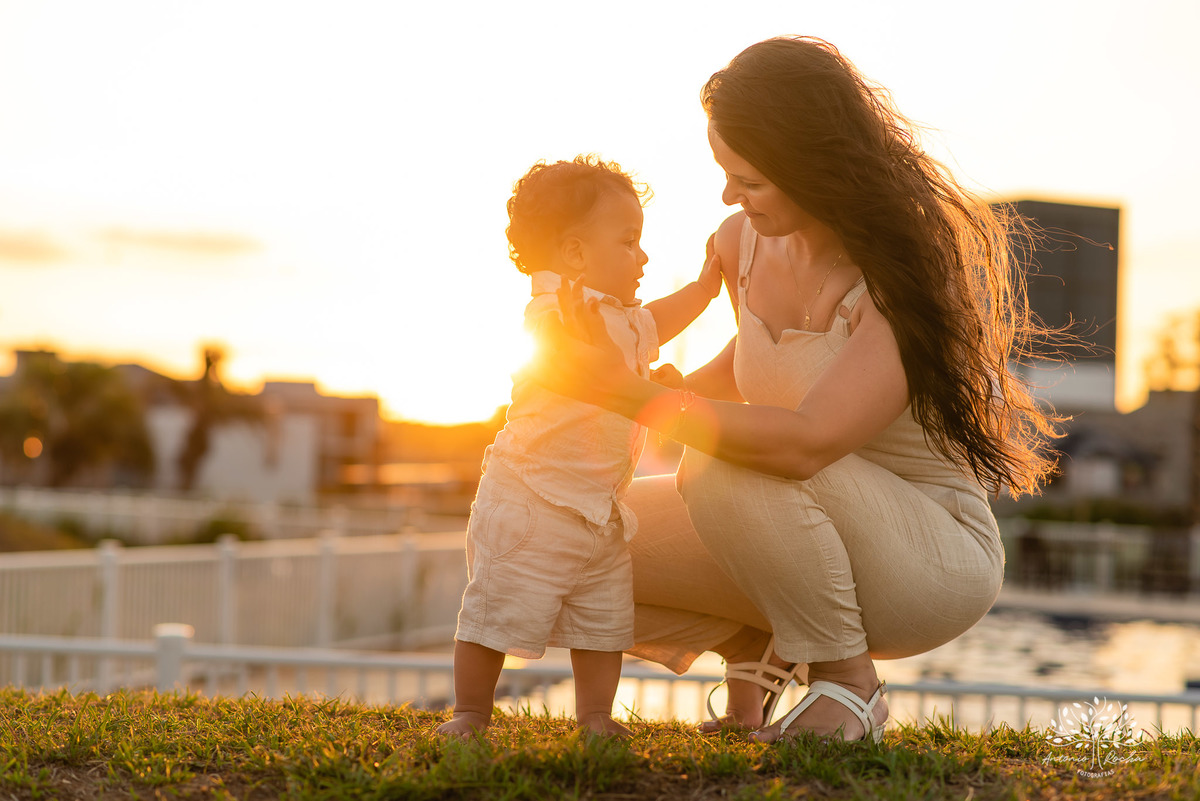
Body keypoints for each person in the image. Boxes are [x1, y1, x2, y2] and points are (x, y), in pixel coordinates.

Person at [527, 37, 1062, 743]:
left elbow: (805, 443)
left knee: (717, 456)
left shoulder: (902, 276)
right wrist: (599, 387)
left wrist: (629, 396)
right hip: (798, 531)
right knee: (548, 532)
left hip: (929, 558)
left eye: (747, 180)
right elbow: (745, 369)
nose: (729, 196)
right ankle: (755, 644)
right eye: (725, 175)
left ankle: (850, 684)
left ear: (810, 165)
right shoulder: (738, 242)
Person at [436, 155, 723, 738]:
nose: (643, 257)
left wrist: (703, 289)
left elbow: (657, 321)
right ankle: (470, 711)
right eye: (628, 241)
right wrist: (622, 372)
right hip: (531, 499)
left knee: (604, 621)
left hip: (599, 510)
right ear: (574, 253)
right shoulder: (554, 312)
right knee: (498, 608)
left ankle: (595, 716)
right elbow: (567, 360)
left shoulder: (622, 318)